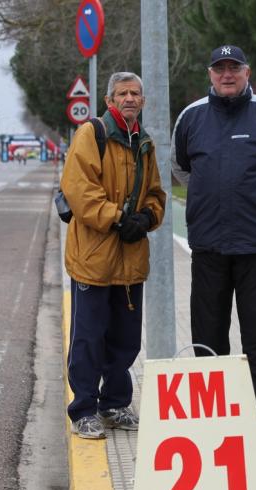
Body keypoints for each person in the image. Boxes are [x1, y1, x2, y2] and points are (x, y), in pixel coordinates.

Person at [171, 45, 256, 433]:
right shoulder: (191, 117)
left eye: (234, 68)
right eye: (219, 68)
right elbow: (182, 168)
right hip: (208, 242)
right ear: (209, 74)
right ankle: (213, 403)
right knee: (207, 326)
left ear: (247, 72)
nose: (227, 75)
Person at [61, 71, 166, 439]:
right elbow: (79, 190)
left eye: (136, 93)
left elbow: (156, 193)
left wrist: (148, 217)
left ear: (143, 100)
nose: (130, 99)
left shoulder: (145, 142)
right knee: (89, 338)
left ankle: (115, 404)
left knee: (125, 339)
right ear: (109, 101)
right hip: (94, 256)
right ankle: (84, 409)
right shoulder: (93, 134)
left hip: (130, 259)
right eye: (122, 93)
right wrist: (118, 219)